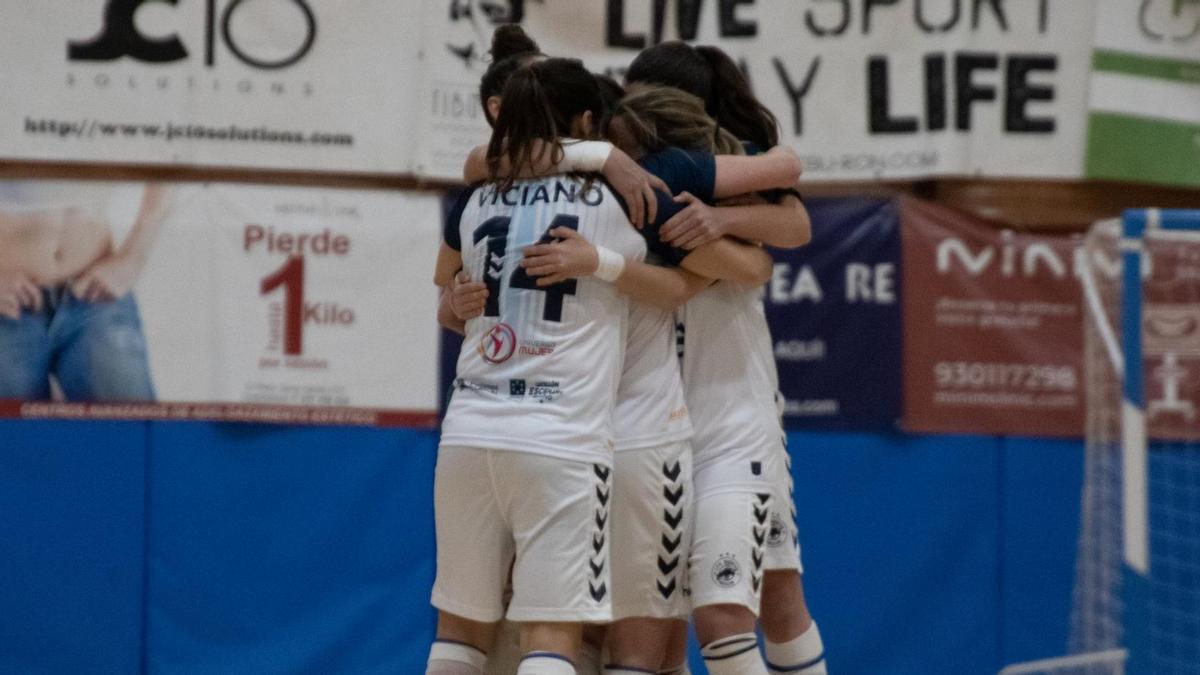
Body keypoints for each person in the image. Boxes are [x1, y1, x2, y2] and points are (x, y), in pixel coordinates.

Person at [453, 76, 809, 674]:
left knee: (616, 633)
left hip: (622, 433)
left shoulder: (516, 190)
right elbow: (743, 266)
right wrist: (614, 253)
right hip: (587, 434)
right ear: (594, 123)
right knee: (592, 637)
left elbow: (780, 224)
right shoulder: (613, 189)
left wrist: (721, 231)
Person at [428, 57, 648, 675]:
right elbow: (683, 275)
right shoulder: (619, 196)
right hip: (562, 438)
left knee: (460, 632)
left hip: (469, 431)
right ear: (586, 120)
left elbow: (448, 298)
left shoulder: (475, 199)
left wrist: (453, 303)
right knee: (551, 632)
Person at [626, 42, 826, 675]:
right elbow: (762, 258)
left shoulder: (723, 167)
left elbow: (794, 224)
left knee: (767, 599)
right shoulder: (624, 171)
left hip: (732, 406)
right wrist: (742, 256)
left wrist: (720, 223)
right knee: (656, 630)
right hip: (644, 417)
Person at [0, 182, 165, 401]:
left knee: (130, 430)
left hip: (95, 291)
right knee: (13, 434)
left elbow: (174, 156)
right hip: (8, 302)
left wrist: (134, 258)